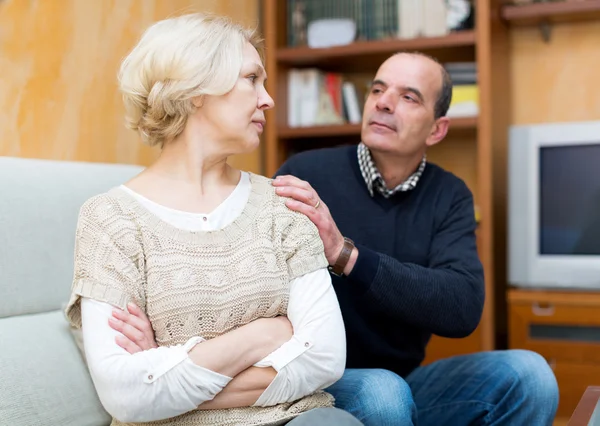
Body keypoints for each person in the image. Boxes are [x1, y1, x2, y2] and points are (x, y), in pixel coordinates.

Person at [64, 13, 362, 426]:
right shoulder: (111, 220)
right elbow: (126, 394)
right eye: (251, 78)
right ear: (196, 90)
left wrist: (167, 370)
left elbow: (325, 357)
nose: (268, 99)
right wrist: (263, 335)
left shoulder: (281, 206)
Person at [269, 52, 560, 425]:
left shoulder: (450, 195)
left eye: (409, 97)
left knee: (529, 374)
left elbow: (462, 306)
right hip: (320, 384)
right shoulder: (305, 174)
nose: (383, 102)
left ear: (437, 129)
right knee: (382, 393)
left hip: (405, 382)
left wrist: (347, 256)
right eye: (377, 89)